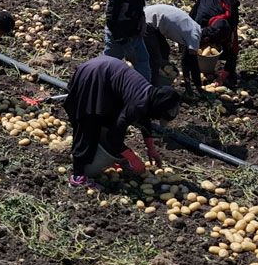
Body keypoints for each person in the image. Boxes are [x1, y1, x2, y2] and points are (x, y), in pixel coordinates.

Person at [64, 56, 181, 189]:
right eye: (159, 116)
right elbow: (113, 137)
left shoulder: (149, 95)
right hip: (95, 75)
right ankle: (77, 176)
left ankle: (104, 154)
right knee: (89, 122)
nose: (156, 118)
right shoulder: (138, 104)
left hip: (105, 74)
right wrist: (132, 158)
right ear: (159, 108)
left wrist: (151, 148)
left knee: (110, 120)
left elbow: (144, 120)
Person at [103, 0, 155, 82]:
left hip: (134, 33)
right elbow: (111, 18)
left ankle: (144, 93)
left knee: (143, 60)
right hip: (118, 35)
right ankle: (100, 86)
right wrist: (122, 41)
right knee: (110, 65)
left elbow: (139, 6)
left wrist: (142, 21)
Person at [191, 0, 242, 87]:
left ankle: (229, 72)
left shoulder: (231, 22)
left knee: (228, 52)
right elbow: (188, 37)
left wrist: (223, 75)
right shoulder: (199, 20)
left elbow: (234, 48)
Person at [143, 4, 201, 91]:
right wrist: (192, 86)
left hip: (153, 15)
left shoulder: (197, 28)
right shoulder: (194, 38)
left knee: (165, 50)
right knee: (155, 59)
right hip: (147, 21)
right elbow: (189, 64)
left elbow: (187, 60)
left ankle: (160, 75)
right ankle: (152, 88)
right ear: (207, 39)